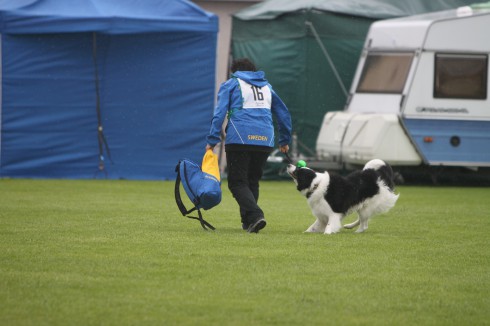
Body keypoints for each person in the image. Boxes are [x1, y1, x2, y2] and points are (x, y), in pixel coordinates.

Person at [206, 58, 292, 233]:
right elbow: (283, 113)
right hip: (265, 139)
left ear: (235, 71)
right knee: (252, 181)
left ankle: (255, 215)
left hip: (240, 137)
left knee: (237, 182)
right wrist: (284, 140)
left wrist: (213, 139)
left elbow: (219, 113)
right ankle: (249, 222)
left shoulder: (231, 84)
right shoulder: (267, 87)